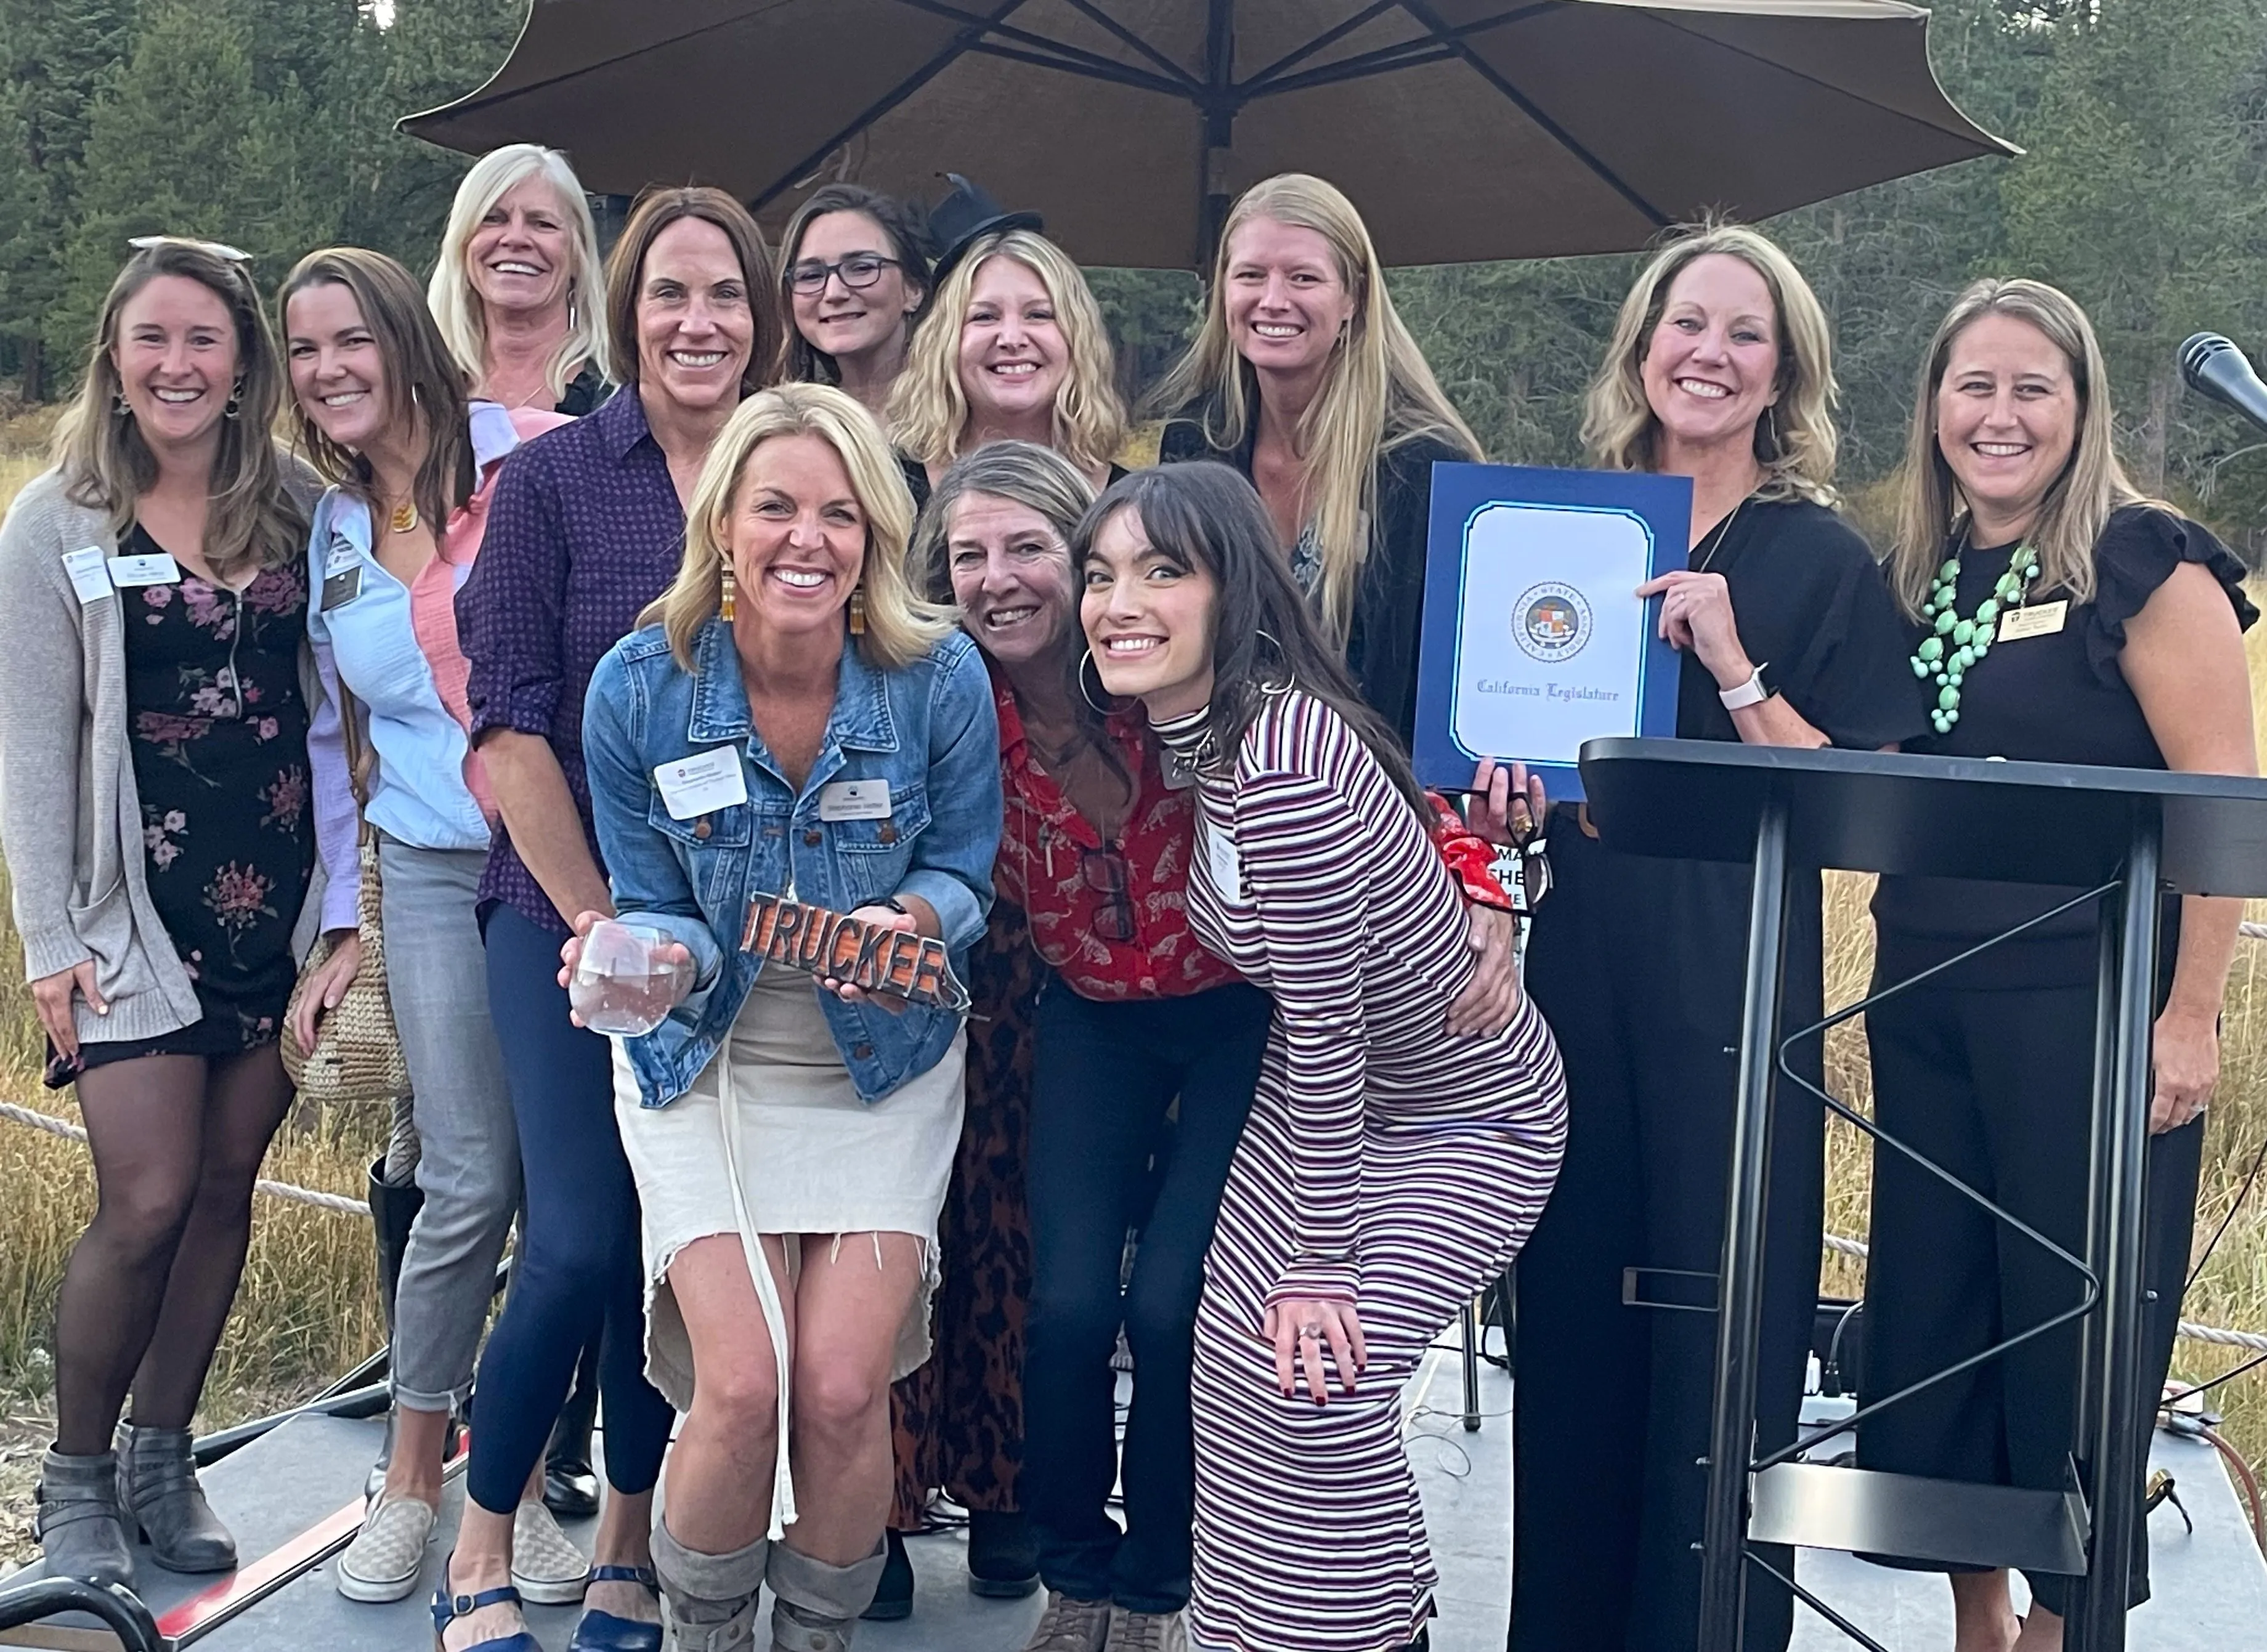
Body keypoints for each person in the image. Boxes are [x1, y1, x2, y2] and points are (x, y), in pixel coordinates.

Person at [1494, 222, 1928, 1652]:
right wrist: (1495, 793)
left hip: (1729, 983)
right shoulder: (1557, 534)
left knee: (1719, 1327)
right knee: (1565, 1322)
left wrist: (1731, 665)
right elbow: (1487, 758)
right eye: (1686, 324)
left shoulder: (1810, 556)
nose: (1709, 354)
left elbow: (1859, 802)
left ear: (1779, 375)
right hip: (1567, 970)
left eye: (1745, 335)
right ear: (1638, 347)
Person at [1074, 461, 1566, 1652]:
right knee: (1228, 1365)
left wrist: (1321, 1262)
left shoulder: (1283, 763)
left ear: (1231, 587)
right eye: (1100, 575)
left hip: (1467, 1123)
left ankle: (1339, 1631)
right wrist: (1490, 881)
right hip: (1336, 1104)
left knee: (1311, 1380)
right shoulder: (1211, 733)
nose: (1117, 601)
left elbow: (1326, 1021)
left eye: (1161, 571)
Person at [1859, 279, 2257, 1652]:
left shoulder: (2146, 564)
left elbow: (2223, 798)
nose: (1998, 415)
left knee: (2070, 1336)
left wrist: (2191, 1014)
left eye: (2031, 387)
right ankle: (1976, 1617)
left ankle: (2063, 1626)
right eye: (1972, 385)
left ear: (2080, 408)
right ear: (1931, 407)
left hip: (2086, 1011)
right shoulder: (1919, 573)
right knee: (1936, 1314)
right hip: (1921, 1002)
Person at [574, 382, 1002, 1652]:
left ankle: (812, 1639)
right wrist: (644, 962)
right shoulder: (637, 690)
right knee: (744, 1384)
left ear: (874, 534)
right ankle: (704, 1634)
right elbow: (659, 909)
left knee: (836, 1385)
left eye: (839, 513)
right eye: (775, 509)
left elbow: (965, 872)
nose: (806, 540)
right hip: (708, 1064)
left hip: (885, 1066)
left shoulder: (939, 678)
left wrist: (911, 925)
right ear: (723, 525)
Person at [439, 185, 784, 1652]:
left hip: (746, 944)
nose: (696, 322)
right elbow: (507, 725)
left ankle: (631, 1543)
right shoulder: (557, 484)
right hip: (562, 920)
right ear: (623, 310)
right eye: (668, 294)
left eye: (723, 296)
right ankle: (483, 1533)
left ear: (760, 320)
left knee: (673, 1244)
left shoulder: (801, 475)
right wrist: (598, 925)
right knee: (577, 1241)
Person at [275, 245, 593, 1614]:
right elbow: (332, 733)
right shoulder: (335, 528)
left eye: (347, 338)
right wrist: (343, 923)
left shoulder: (539, 457)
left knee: (568, 1194)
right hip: (425, 862)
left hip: (558, 862)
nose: (326, 369)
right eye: (301, 351)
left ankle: (508, 1480)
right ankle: (415, 1481)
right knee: (468, 1171)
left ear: (403, 333)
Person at [0, 237, 318, 1587]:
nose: (179, 365)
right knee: (144, 1197)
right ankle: (73, 1478)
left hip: (278, 903)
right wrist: (50, 945)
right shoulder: (56, 522)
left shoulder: (304, 507)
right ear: (115, 360)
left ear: (244, 363)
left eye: (206, 341)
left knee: (226, 1192)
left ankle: (162, 1452)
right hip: (134, 916)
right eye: (155, 341)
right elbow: (30, 745)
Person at [1151, 172, 1482, 745]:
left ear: (1353, 298)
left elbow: (1441, 669)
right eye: (1251, 275)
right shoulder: (1192, 443)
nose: (1273, 300)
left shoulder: (1420, 464)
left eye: (1303, 278)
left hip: (1373, 796)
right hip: (1216, 777)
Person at [887, 186, 1129, 502]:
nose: (1012, 339)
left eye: (1039, 315)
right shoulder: (889, 495)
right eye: (985, 317)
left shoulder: (1130, 507)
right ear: (944, 341)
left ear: (1078, 337)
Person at [428, 143, 610, 416]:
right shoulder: (422, 396)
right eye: (493, 219)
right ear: (461, 245)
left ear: (578, 254)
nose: (515, 238)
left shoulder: (620, 395)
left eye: (542, 223)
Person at [780, 184, 932, 418]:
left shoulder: (970, 410)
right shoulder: (789, 423)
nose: (834, 293)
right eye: (811, 275)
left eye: (861, 268)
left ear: (913, 289)